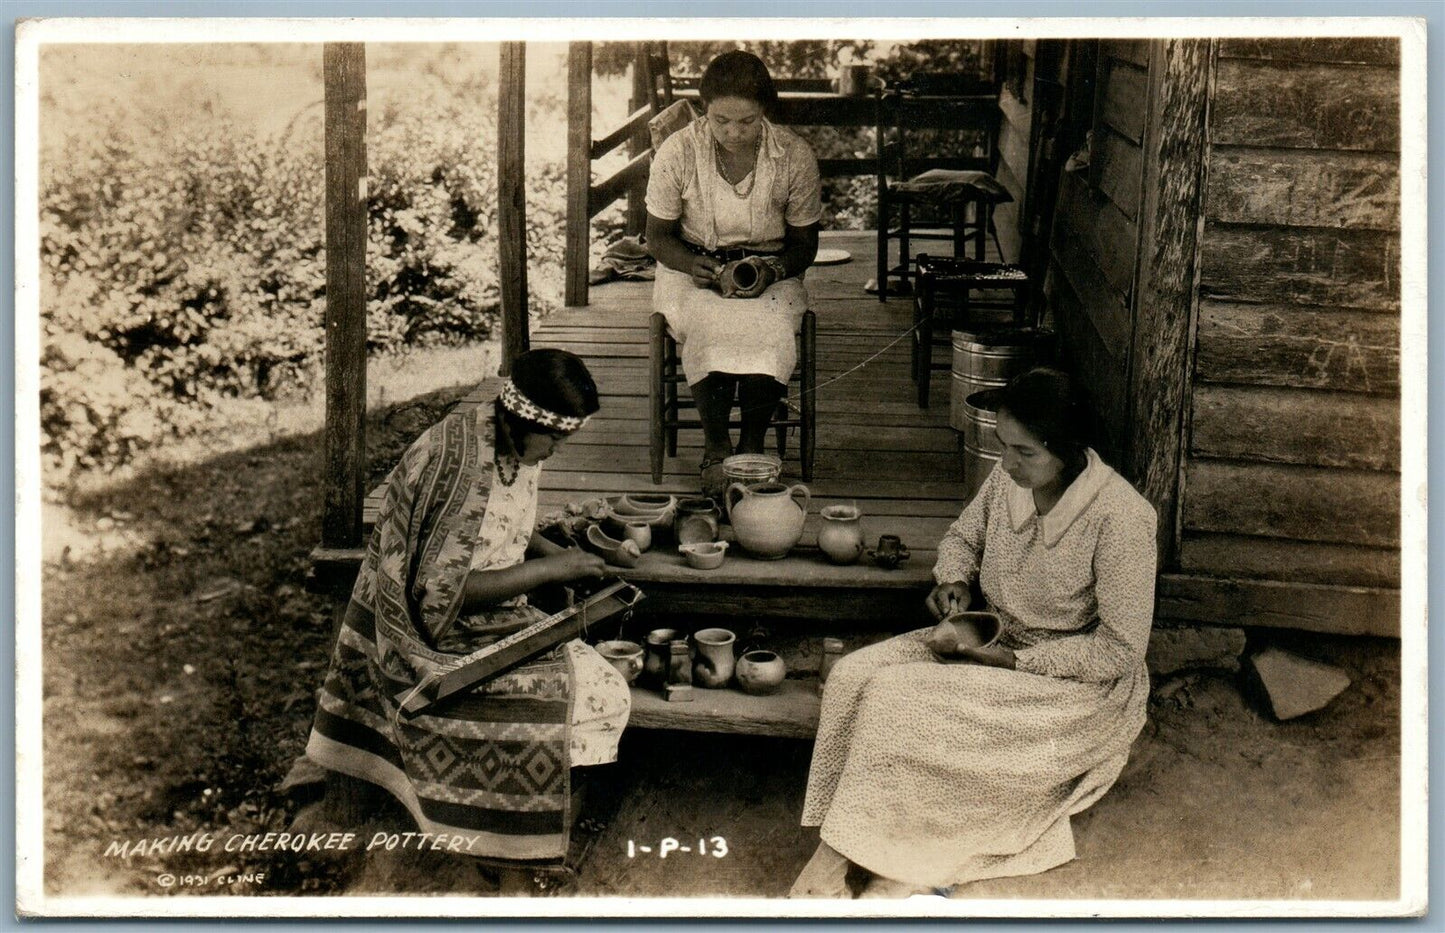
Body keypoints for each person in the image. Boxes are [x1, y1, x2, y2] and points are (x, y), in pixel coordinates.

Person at [791, 367, 1158, 898]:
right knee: (852, 677)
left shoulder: (1121, 519)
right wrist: (954, 580)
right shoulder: (1009, 479)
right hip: (988, 638)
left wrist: (1016, 664)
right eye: (1002, 445)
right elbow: (963, 536)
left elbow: (1120, 650)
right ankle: (850, 841)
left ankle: (878, 861)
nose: (1006, 463)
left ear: (1071, 451)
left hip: (1067, 681)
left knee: (898, 701)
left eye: (1024, 452)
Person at [297, 349, 629, 863]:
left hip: (487, 613)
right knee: (597, 694)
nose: (557, 452)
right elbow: (437, 593)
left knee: (599, 681)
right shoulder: (461, 466)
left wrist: (558, 553)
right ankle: (507, 834)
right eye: (556, 439)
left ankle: (531, 817)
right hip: (432, 639)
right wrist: (552, 571)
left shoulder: (511, 442)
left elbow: (505, 530)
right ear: (527, 419)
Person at [645, 49, 822, 497]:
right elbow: (658, 238)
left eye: (746, 120)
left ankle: (753, 445)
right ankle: (717, 446)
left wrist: (773, 267)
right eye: (721, 119)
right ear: (704, 109)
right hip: (692, 267)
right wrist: (693, 265)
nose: (733, 132)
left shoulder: (794, 156)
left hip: (770, 271)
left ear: (765, 110)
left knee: (770, 324)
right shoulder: (679, 151)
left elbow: (805, 245)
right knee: (710, 321)